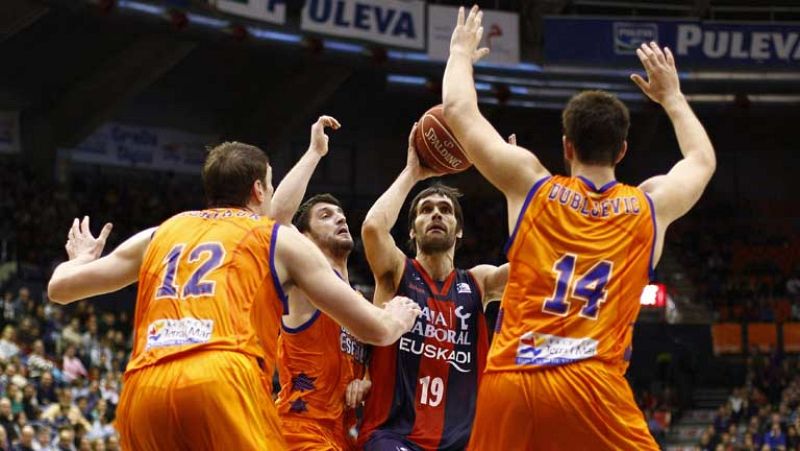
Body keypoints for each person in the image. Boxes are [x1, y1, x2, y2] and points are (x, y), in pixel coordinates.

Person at [442, 6, 716, 449]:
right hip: (592, 385)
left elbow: (457, 109)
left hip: (513, 376)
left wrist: (459, 51)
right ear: (623, 150)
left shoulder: (530, 183)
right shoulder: (649, 205)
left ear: (567, 146)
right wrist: (673, 98)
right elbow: (702, 161)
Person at [47, 141, 422, 450]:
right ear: (259, 189)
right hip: (222, 377)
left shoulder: (161, 232)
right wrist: (399, 316)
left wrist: (79, 259)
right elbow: (375, 329)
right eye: (270, 186)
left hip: (145, 387)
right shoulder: (274, 237)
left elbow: (59, 289)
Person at [358, 124, 509, 450]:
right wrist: (412, 174)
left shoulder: (478, 282)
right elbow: (372, 227)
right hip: (394, 435)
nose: (436, 215)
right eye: (426, 210)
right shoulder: (396, 272)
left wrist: (515, 187)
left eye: (445, 210)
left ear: (458, 231)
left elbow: (533, 266)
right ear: (412, 231)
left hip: (463, 442)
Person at [268, 116, 371, 449]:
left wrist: (367, 379)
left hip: (346, 435)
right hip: (301, 431)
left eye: (340, 214)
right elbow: (274, 222)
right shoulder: (303, 285)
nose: (340, 218)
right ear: (305, 238)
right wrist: (315, 152)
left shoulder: (357, 300)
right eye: (325, 216)